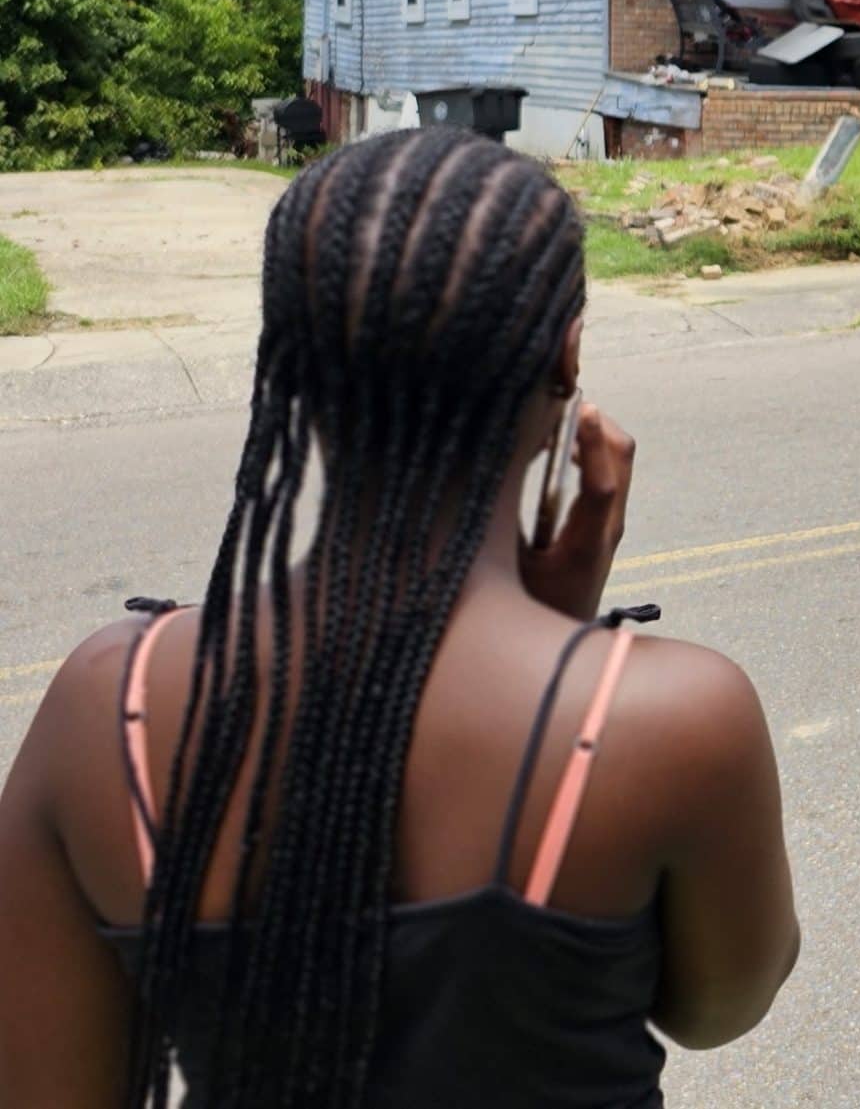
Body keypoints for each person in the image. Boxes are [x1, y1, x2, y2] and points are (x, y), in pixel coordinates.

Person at [0, 127, 800, 1108]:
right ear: (567, 358)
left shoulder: (108, 708)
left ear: (286, 363)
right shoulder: (666, 722)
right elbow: (718, 1006)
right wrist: (566, 650)